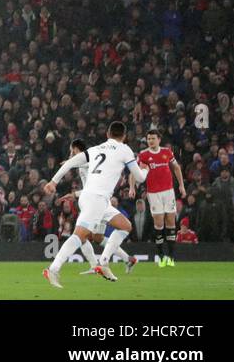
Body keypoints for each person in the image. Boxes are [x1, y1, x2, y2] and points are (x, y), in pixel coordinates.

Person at [42, 121, 146, 288]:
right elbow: (140, 178)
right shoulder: (125, 149)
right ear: (124, 137)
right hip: (95, 199)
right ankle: (53, 269)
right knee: (80, 236)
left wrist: (53, 182)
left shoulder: (95, 149)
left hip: (96, 200)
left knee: (125, 226)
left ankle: (103, 262)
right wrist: (146, 169)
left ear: (107, 134)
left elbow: (69, 163)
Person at [137, 128, 185, 267]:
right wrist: (133, 186)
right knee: (159, 224)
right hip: (153, 193)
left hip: (168, 191)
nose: (150, 141)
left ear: (159, 139)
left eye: (153, 138)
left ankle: (171, 257)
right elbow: (138, 171)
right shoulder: (144, 155)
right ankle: (161, 255)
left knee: (171, 221)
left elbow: (176, 168)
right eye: (148, 139)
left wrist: (181, 185)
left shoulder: (167, 152)